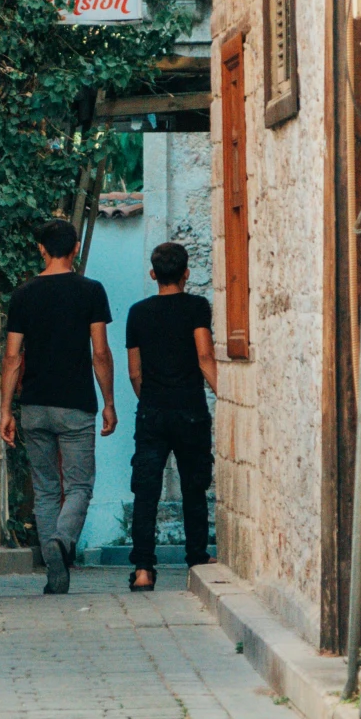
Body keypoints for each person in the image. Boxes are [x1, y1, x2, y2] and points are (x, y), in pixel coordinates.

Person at [0, 215, 115, 594]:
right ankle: (64, 539)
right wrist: (109, 401)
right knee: (80, 485)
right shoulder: (91, 291)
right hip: (76, 405)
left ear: (41, 249)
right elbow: (100, 352)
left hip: (34, 405)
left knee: (46, 489)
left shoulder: (23, 295)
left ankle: (55, 574)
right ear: (76, 249)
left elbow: (13, 357)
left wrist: (5, 410)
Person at [125, 238, 217, 592]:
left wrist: (149, 398)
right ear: (187, 273)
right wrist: (224, 394)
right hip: (190, 410)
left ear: (153, 274)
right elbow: (205, 357)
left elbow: (135, 371)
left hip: (152, 412)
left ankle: (144, 569)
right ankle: (196, 555)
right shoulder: (196, 306)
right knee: (194, 485)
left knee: (146, 489)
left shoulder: (138, 312)